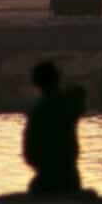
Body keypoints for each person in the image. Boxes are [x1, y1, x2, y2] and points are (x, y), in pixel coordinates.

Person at [23, 59, 86, 195]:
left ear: (36, 83)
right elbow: (80, 97)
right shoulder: (68, 104)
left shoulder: (37, 111)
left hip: (47, 177)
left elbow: (29, 154)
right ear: (57, 79)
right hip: (69, 175)